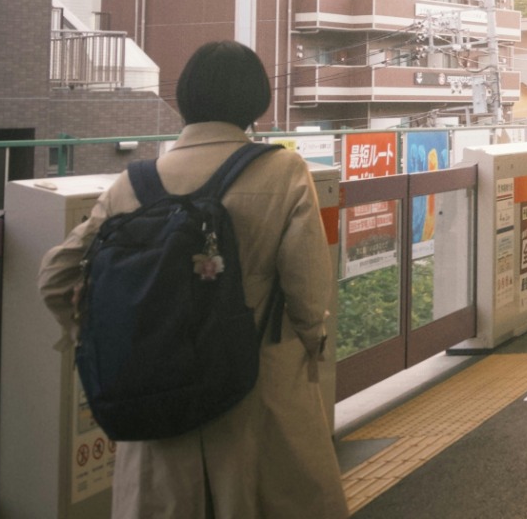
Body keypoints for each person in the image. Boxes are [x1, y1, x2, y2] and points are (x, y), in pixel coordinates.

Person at [38, 41, 348, 519]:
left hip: (158, 402)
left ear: (186, 98)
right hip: (258, 396)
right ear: (254, 102)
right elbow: (307, 289)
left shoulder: (132, 183)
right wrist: (313, 345)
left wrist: (93, 336)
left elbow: (56, 277)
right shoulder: (284, 170)